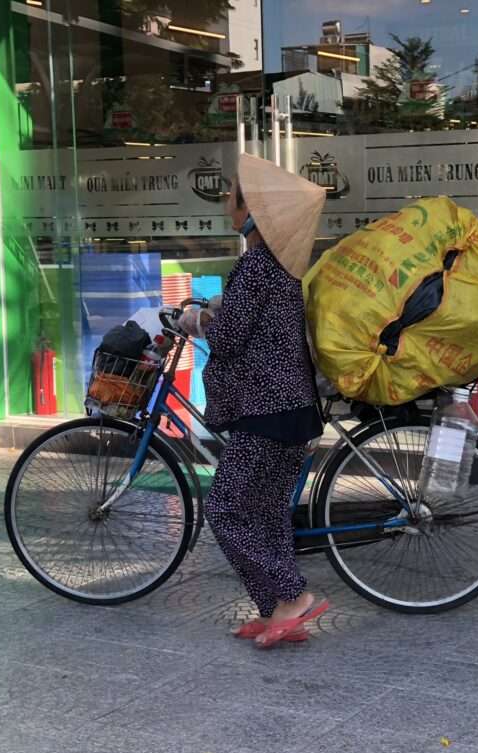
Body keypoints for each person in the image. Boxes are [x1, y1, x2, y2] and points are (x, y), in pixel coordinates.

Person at [178, 153, 329, 648]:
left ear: (253, 211)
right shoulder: (278, 267)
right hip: (291, 408)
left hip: (265, 411)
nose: (227, 200)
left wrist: (195, 322)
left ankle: (291, 597)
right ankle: (277, 613)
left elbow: (229, 338)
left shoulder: (258, 265)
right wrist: (219, 307)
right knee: (265, 514)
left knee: (224, 509)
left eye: (233, 195)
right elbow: (250, 319)